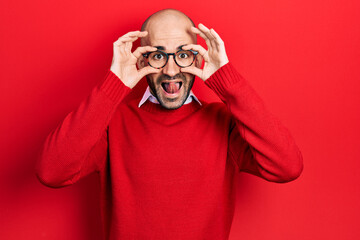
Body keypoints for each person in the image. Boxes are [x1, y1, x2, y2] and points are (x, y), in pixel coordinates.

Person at [36, 8, 303, 240]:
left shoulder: (224, 124)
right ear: (142, 60)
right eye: (158, 56)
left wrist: (227, 80)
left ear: (199, 59)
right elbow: (51, 171)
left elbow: (287, 166)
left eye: (184, 55)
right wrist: (114, 83)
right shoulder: (112, 122)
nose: (171, 70)